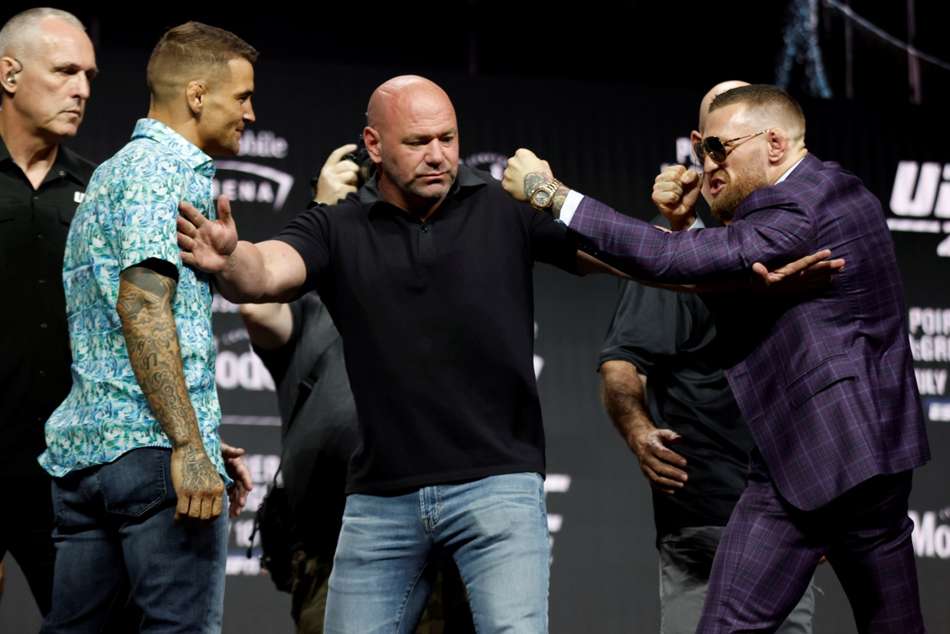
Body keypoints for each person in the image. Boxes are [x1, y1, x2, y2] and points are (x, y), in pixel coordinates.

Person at [503, 83, 929, 633]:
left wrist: (549, 193)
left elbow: (668, 259)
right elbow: (722, 281)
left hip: (815, 458)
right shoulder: (836, 189)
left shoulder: (797, 210)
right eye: (701, 149)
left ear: (774, 143)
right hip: (872, 457)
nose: (706, 164)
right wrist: (690, 226)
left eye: (719, 148)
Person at [177, 74, 586, 633]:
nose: (437, 155)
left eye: (447, 138)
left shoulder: (504, 207)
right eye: (418, 142)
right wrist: (231, 259)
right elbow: (266, 272)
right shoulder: (338, 225)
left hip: (496, 485)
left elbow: (615, 253)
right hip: (381, 499)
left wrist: (557, 196)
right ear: (373, 144)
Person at [39, 22, 257, 633]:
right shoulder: (161, 172)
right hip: (153, 460)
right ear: (197, 95)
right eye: (242, 96)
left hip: (90, 461)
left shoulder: (108, 174)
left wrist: (203, 434)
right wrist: (188, 443)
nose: (250, 112)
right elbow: (141, 307)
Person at [599, 81, 815, 634]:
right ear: (698, 145)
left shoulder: (799, 239)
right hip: (704, 519)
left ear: (771, 140)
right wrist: (638, 431)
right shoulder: (671, 250)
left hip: (788, 521)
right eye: (711, 143)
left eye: (733, 138)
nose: (719, 155)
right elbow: (622, 364)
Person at [241, 144, 473, 633]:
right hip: (331, 547)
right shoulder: (307, 305)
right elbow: (255, 304)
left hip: (432, 542)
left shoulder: (432, 282)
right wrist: (323, 212)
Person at [0, 8, 97, 617]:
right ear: (9, 74)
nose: (81, 89)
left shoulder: (101, 189)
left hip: (67, 470)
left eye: (88, 75)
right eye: (64, 71)